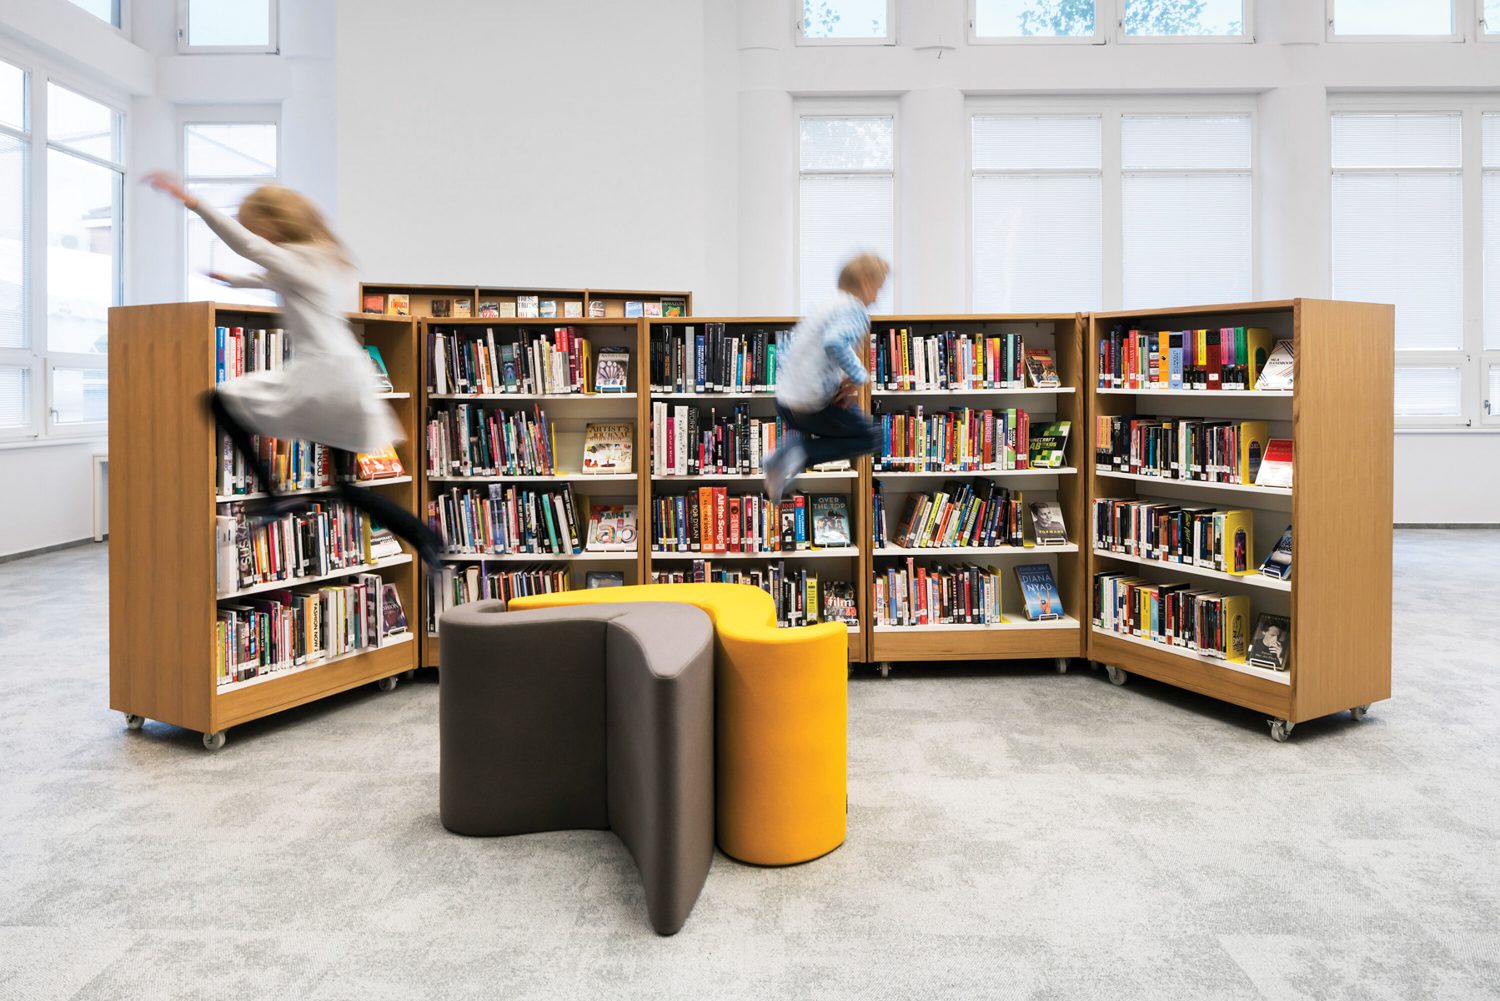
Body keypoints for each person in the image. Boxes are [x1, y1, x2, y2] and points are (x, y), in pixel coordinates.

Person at [143, 172, 444, 566]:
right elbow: (267, 274)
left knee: (218, 401)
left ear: (273, 225)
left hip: (323, 375)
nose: (257, 237)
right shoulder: (311, 257)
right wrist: (229, 281)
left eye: (258, 229)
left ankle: (274, 495)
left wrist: (193, 202)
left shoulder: (295, 257)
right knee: (347, 488)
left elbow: (250, 249)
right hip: (348, 377)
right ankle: (426, 539)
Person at [765, 253, 889, 504]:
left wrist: (831, 385)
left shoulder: (825, 306)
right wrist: (859, 376)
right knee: (872, 437)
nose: (876, 299)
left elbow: (798, 351)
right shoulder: (854, 310)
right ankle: (795, 455)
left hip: (787, 400)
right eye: (877, 289)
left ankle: (785, 455)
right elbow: (835, 342)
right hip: (809, 402)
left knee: (845, 427)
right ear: (865, 282)